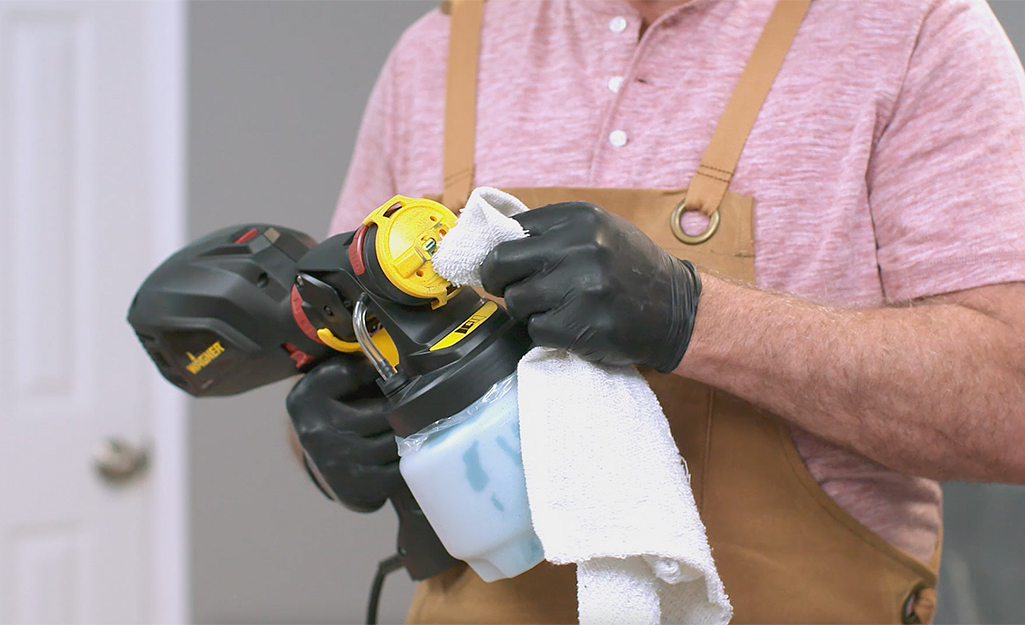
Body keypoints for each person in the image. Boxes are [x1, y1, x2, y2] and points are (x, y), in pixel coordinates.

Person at [286, 0, 1025, 622]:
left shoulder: (914, 32)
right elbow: (341, 343)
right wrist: (325, 425)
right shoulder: (440, 50)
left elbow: (1009, 400)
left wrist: (691, 317)